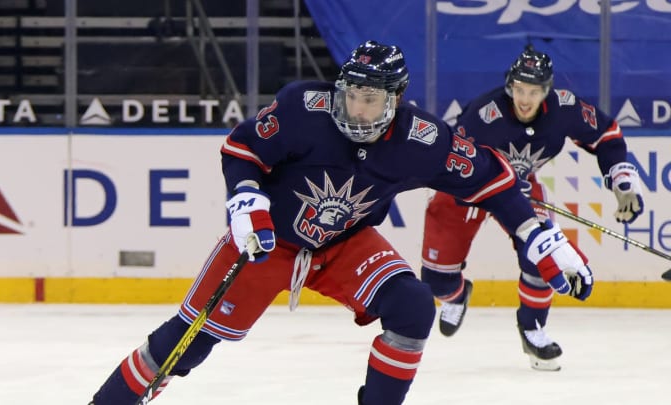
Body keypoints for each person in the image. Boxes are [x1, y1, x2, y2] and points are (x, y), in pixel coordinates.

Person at [89, 41, 592, 405]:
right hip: (270, 243)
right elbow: (242, 149)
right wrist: (245, 197)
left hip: (346, 246)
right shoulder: (303, 108)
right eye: (350, 94)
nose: (355, 107)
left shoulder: (425, 139)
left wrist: (538, 237)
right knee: (187, 342)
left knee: (414, 307)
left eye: (370, 98)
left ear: (395, 98)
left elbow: (495, 182)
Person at [420, 45, 643, 371]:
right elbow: (454, 159)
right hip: (465, 190)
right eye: (520, 90)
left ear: (546, 91)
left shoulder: (565, 108)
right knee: (436, 280)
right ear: (510, 86)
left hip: (521, 190)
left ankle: (532, 328)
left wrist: (620, 177)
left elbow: (606, 134)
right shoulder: (484, 113)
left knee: (543, 254)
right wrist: (497, 182)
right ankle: (455, 295)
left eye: (534, 91)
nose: (524, 99)